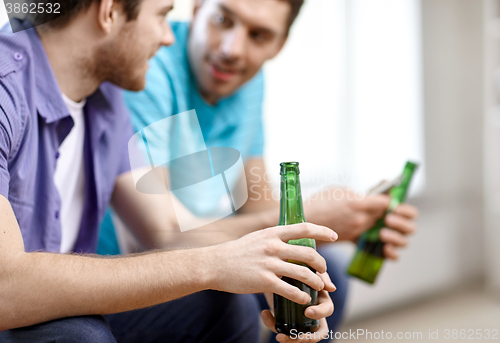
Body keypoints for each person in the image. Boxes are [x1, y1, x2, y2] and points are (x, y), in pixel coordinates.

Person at [0, 0, 337, 342]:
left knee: (223, 305)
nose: (168, 37)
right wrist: (213, 265)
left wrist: (265, 263)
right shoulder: (5, 91)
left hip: (54, 305)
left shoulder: (103, 99)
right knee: (80, 335)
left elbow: (166, 232)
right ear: (109, 11)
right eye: (162, 15)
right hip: (17, 311)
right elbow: (4, 287)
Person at [97, 0, 420, 340]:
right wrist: (310, 217)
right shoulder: (149, 68)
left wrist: (345, 221)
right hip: (130, 273)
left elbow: (256, 204)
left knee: (325, 271)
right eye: (222, 19)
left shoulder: (244, 80)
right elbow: (164, 237)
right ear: (196, 9)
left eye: (260, 35)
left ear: (279, 45)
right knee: (224, 303)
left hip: (197, 255)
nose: (232, 49)